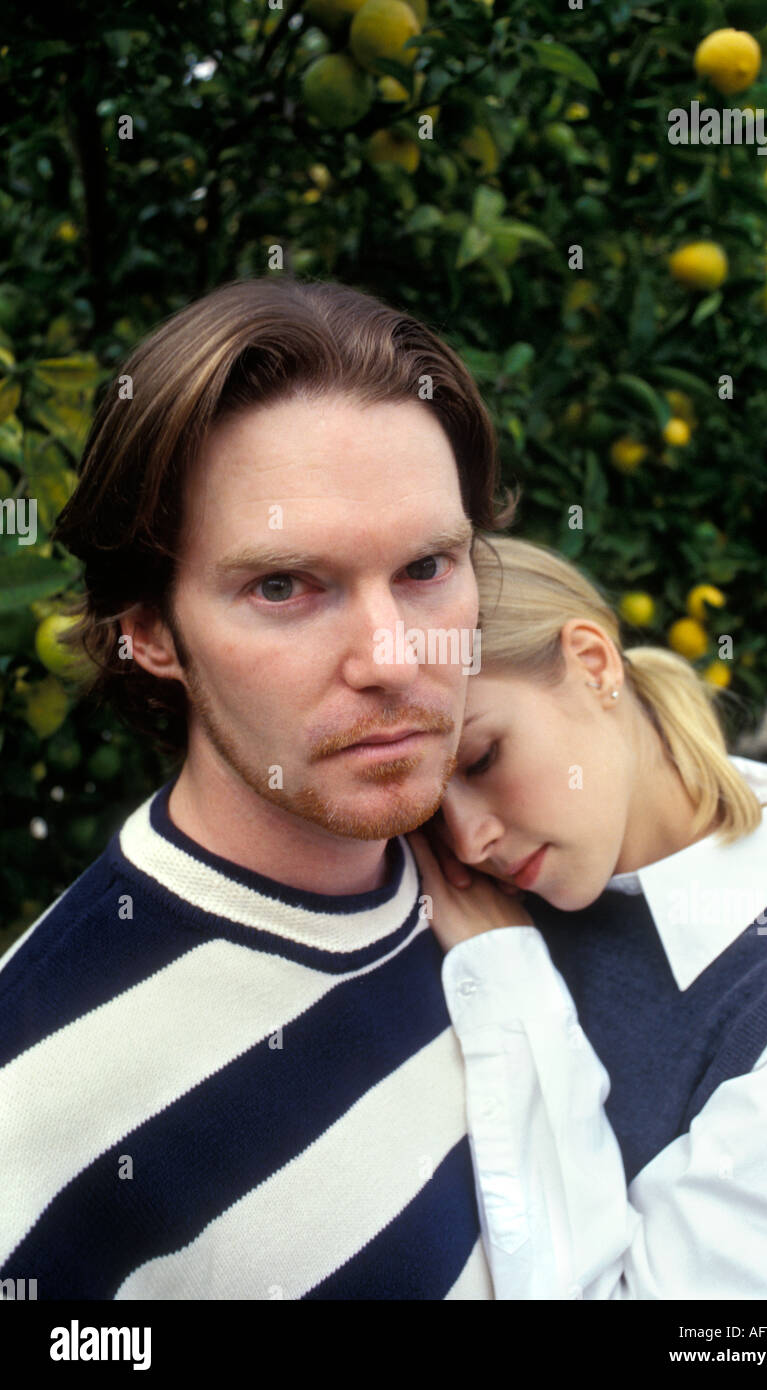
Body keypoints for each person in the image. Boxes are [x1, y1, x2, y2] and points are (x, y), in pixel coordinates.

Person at [0, 276, 527, 1300]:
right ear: (147, 629)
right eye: (283, 586)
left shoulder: (527, 867)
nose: (390, 656)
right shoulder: (37, 1095)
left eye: (426, 566)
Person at [408, 533, 767, 1300]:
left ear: (593, 664)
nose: (468, 839)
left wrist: (512, 983)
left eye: (482, 760)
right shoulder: (457, 881)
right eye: (423, 804)